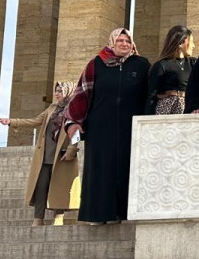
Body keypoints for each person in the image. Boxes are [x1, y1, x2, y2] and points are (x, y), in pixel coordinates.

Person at [63, 28, 149, 224]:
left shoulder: (142, 64)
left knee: (126, 167)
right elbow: (81, 94)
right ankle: (98, 214)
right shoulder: (96, 64)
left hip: (131, 127)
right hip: (100, 127)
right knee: (101, 169)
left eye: (127, 41)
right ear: (112, 42)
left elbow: (149, 94)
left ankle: (123, 213)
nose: (124, 44)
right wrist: (73, 122)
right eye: (120, 40)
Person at [0, 82, 80, 226]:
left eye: (60, 91)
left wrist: (72, 150)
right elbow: (35, 121)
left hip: (62, 155)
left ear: (67, 91)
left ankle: (58, 216)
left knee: (60, 186)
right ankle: (38, 218)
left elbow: (76, 131)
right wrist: (11, 122)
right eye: (56, 91)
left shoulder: (74, 109)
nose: (57, 93)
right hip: (45, 155)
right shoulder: (51, 108)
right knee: (41, 186)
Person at [146, 25, 195, 115]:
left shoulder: (193, 63)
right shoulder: (161, 65)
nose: (193, 46)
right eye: (191, 42)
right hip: (167, 111)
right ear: (181, 43)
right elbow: (152, 95)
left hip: (189, 109)